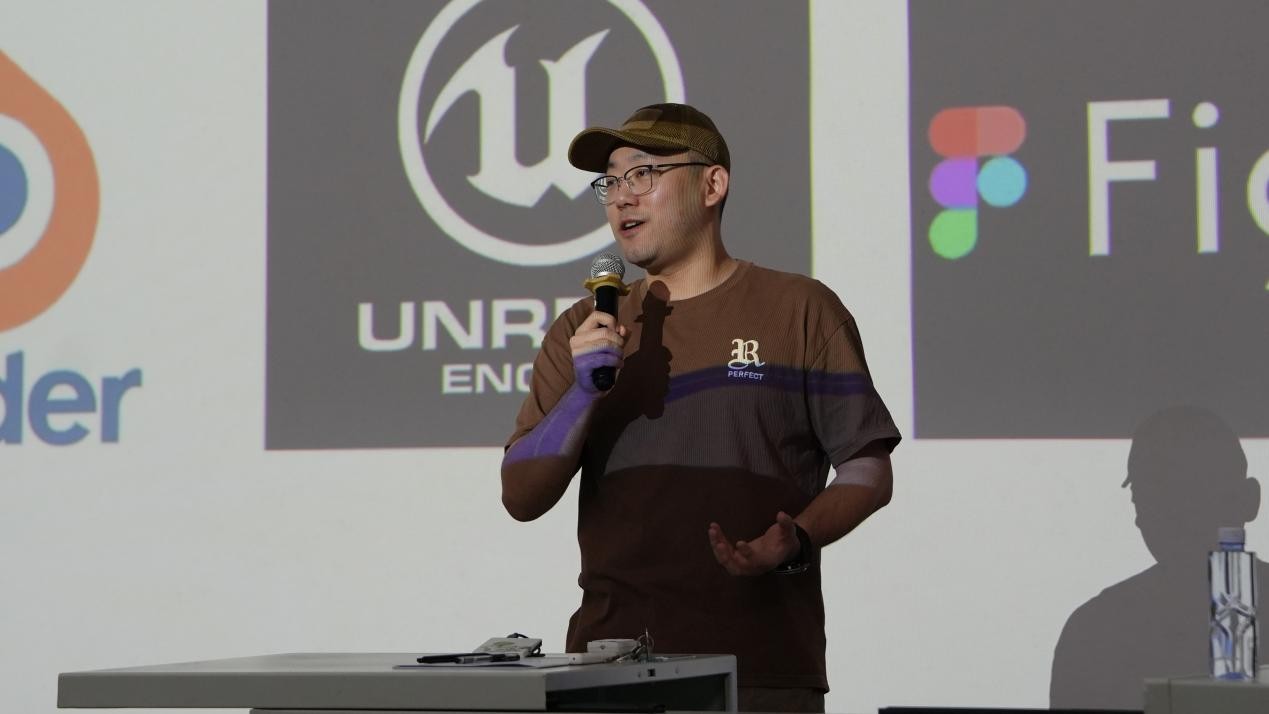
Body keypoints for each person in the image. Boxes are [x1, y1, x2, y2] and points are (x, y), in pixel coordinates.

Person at [501, 103, 900, 713]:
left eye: (644, 174)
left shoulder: (799, 309)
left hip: (759, 671)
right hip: (609, 672)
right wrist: (583, 393)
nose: (621, 197)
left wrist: (796, 539)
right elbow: (521, 497)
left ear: (712, 185)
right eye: (610, 181)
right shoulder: (584, 329)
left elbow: (868, 469)